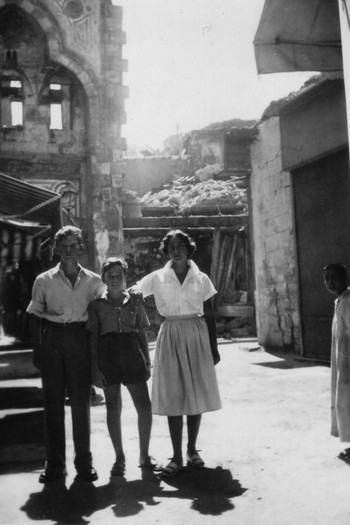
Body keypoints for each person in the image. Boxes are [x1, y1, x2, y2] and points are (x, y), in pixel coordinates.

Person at [134, 229, 221, 477]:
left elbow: (210, 314)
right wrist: (147, 318)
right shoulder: (158, 277)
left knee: (194, 392)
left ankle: (192, 450)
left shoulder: (201, 278)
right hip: (170, 333)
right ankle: (177, 456)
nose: (175, 249)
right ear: (166, 250)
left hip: (196, 334)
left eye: (180, 244)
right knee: (174, 394)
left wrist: (213, 349)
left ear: (188, 247)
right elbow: (134, 293)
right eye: (171, 245)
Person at [26, 226, 105, 483]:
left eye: (73, 245)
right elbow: (35, 318)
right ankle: (54, 466)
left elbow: (99, 318)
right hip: (52, 341)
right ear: (57, 249)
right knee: (53, 405)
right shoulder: (44, 280)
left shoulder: (94, 281)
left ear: (81, 247)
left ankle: (84, 464)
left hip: (80, 340)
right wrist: (38, 351)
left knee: (81, 404)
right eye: (64, 247)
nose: (69, 251)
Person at [86, 257, 161, 476]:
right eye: (111, 276)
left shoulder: (136, 301)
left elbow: (141, 333)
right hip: (107, 356)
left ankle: (144, 455)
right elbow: (93, 340)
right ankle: (119, 458)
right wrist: (95, 369)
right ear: (103, 279)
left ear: (126, 278)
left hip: (131, 354)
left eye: (120, 276)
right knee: (113, 408)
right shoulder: (96, 304)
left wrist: (147, 361)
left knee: (144, 407)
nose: (115, 280)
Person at [324, 263, 350, 458]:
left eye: (334, 278)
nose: (330, 282)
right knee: (343, 399)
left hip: (348, 359)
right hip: (342, 358)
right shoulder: (339, 301)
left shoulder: (348, 302)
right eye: (327, 279)